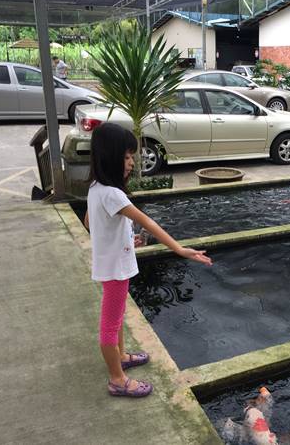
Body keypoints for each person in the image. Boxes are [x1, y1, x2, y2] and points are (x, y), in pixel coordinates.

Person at [85, 122, 212, 398]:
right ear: (111, 157)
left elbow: (90, 222)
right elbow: (148, 221)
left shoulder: (96, 188)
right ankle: (117, 379)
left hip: (112, 264)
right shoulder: (113, 193)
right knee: (110, 323)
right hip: (116, 270)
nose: (132, 163)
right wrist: (179, 249)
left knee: (116, 318)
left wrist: (126, 241)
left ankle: (120, 356)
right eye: (127, 157)